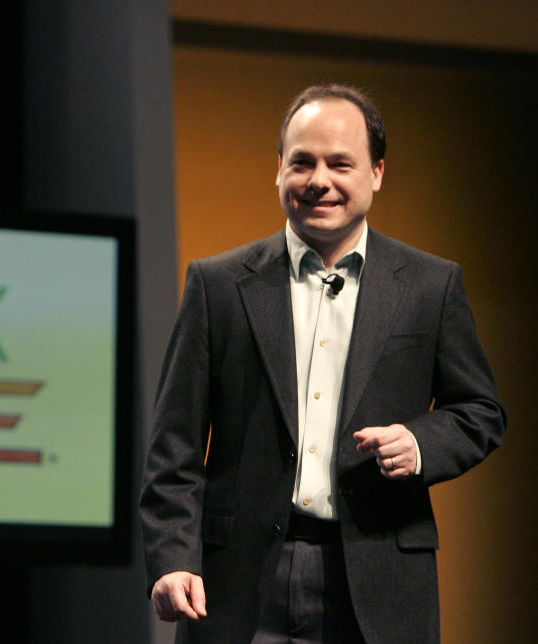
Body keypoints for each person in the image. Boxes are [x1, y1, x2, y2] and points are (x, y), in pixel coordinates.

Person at [139, 84, 506, 644]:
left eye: (341, 163)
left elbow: (480, 411)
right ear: (279, 170)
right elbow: (175, 442)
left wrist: (421, 442)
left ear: (376, 173)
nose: (319, 180)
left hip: (378, 574)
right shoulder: (217, 284)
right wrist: (171, 556)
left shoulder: (431, 286)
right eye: (302, 162)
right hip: (237, 580)